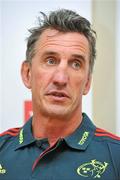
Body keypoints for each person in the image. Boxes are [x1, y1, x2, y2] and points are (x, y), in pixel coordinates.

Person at [0, 9, 120, 180]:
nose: (61, 78)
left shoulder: (116, 155)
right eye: (50, 60)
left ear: (87, 83)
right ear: (27, 74)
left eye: (76, 64)